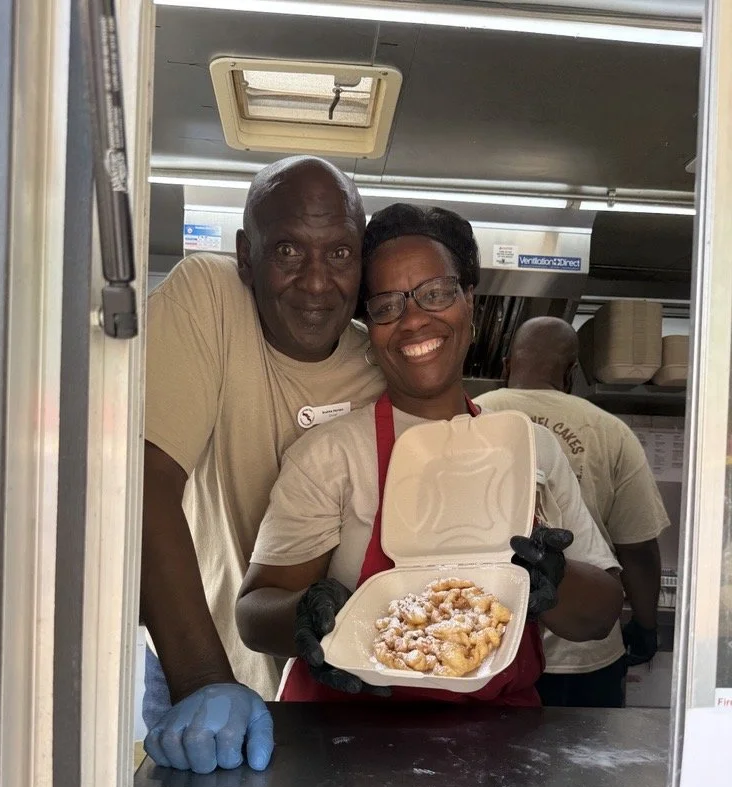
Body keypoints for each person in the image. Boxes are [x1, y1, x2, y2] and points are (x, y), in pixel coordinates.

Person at [236, 204, 623, 704]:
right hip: (347, 745)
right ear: (370, 327)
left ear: (469, 300)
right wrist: (305, 615)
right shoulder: (331, 454)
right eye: (387, 305)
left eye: (436, 293)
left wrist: (555, 580)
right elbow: (253, 614)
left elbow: (601, 615)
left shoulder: (532, 448)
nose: (414, 320)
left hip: (494, 747)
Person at [141, 156, 385, 774]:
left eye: (339, 254)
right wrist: (202, 682)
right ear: (247, 255)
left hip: (333, 685)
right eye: (287, 252)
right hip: (196, 655)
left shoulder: (381, 367)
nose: (315, 282)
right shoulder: (211, 297)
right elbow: (139, 481)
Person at [478, 316, 670, 707]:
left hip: (490, 649)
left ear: (505, 365)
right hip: (583, 656)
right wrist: (646, 626)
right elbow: (638, 549)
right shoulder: (610, 430)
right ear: (570, 373)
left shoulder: (472, 416)